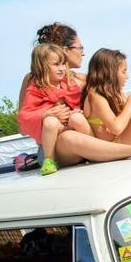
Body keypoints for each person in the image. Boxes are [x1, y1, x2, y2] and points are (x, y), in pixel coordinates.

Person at [18, 23, 131, 166]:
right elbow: (22, 128)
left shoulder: (85, 80)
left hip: (93, 145)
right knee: (68, 137)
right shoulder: (34, 79)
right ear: (65, 50)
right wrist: (45, 115)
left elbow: (120, 106)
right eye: (80, 47)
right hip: (60, 149)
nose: (83, 53)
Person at [16, 44, 93, 175]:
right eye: (56, 64)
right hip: (57, 141)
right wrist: (44, 114)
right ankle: (49, 160)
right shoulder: (35, 90)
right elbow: (25, 117)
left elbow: (82, 107)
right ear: (42, 66)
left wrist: (77, 111)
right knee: (50, 121)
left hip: (73, 131)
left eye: (63, 64)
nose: (62, 68)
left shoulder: (71, 84)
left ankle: (92, 149)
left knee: (77, 118)